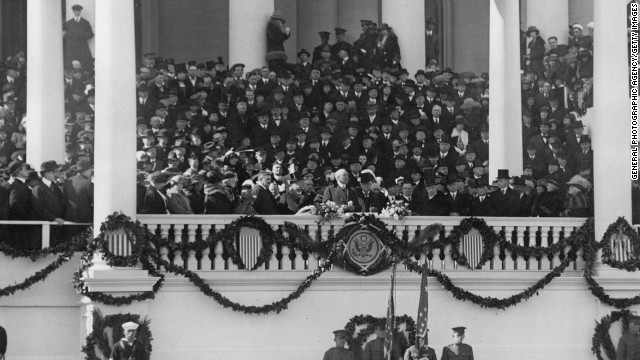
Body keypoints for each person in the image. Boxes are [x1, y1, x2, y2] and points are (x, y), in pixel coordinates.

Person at [63, 4, 94, 70]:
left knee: (84, 65)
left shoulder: (85, 23)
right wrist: (70, 34)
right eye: (75, 11)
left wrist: (82, 34)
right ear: (73, 11)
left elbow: (91, 34)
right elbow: (64, 36)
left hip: (83, 47)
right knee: (71, 67)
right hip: (72, 48)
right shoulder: (68, 23)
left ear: (80, 11)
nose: (77, 12)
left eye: (78, 11)